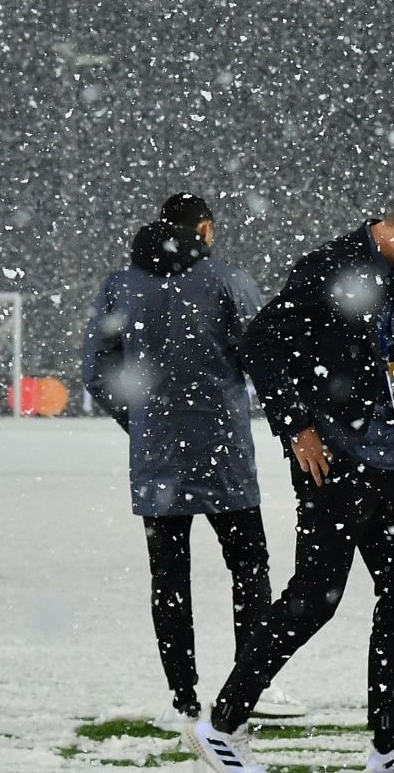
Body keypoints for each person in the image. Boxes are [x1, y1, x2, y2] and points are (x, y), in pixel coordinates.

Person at [185, 180, 394, 773]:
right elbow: (260, 342)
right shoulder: (330, 268)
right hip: (336, 464)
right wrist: (297, 426)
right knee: (315, 598)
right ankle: (221, 723)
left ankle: (388, 748)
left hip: (391, 463)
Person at [81, 193, 306, 729]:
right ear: (204, 228)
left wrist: (140, 424)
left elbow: (97, 370)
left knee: (168, 579)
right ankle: (252, 686)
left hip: (157, 459)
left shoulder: (121, 286)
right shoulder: (226, 279)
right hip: (222, 450)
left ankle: (182, 698)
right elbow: (264, 351)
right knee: (249, 568)